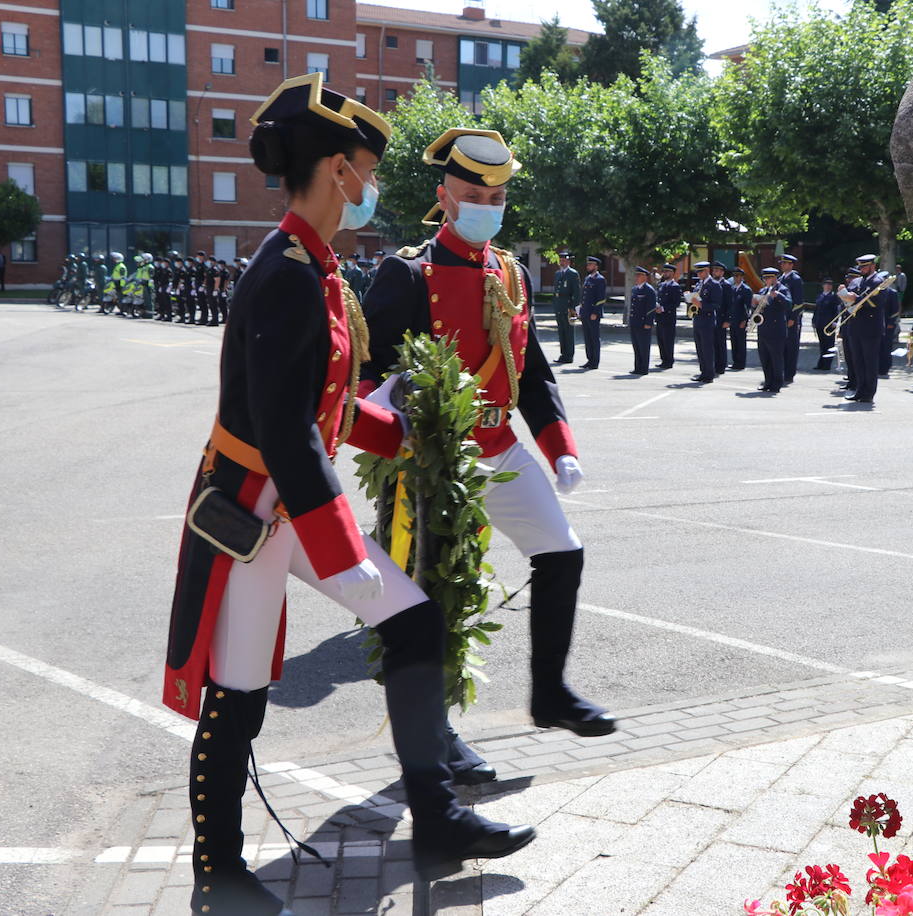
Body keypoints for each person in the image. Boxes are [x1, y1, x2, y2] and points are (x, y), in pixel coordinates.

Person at [162, 77, 535, 915]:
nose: (372, 187)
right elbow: (287, 429)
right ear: (337, 170)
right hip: (254, 512)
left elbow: (329, 410)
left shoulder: (318, 264)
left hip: (298, 497)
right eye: (366, 169)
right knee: (240, 694)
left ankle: (436, 818)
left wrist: (407, 431)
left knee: (414, 621)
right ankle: (216, 874)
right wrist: (339, 551)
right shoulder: (287, 272)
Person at [357, 125, 616, 777]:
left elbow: (532, 374)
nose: (487, 206)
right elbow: (366, 375)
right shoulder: (407, 272)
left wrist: (559, 447)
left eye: (498, 197)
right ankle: (435, 736)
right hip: (434, 460)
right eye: (474, 193)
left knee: (563, 553)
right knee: (440, 596)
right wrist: (395, 421)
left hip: (499, 446)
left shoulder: (511, 273)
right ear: (444, 196)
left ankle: (550, 693)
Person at [839, 255, 889, 404]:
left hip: (871, 328)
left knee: (870, 361)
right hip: (855, 327)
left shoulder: (879, 282)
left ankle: (869, 393)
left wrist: (855, 299)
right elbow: (848, 299)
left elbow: (877, 302)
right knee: (858, 361)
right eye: (860, 267)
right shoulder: (856, 281)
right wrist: (844, 296)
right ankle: (859, 390)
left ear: (873, 266)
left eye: (864, 267)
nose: (861, 270)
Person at [754, 266, 789, 393]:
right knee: (765, 358)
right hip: (763, 329)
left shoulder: (782, 289)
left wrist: (778, 296)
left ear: (775, 278)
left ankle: (777, 383)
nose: (766, 280)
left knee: (776, 358)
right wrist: (754, 303)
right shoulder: (763, 290)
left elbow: (789, 305)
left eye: (769, 278)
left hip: (776, 330)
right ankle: (767, 381)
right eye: (765, 278)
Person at [690, 260, 722, 383]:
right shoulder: (699, 284)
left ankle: (709, 374)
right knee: (699, 348)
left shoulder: (714, 285)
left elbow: (717, 305)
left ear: (707, 271)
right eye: (697, 271)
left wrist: (702, 305)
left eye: (700, 271)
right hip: (698, 319)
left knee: (707, 348)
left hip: (707, 320)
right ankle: (703, 372)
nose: (698, 274)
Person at [779, 254, 804, 384]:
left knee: (791, 347)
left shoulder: (795, 279)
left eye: (785, 263)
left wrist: (793, 318)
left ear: (791, 265)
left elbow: (798, 302)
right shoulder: (780, 279)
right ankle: (782, 371)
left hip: (791, 318)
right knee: (782, 346)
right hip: (781, 318)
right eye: (782, 263)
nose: (782, 265)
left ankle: (789, 374)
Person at [550, 251, 580, 365]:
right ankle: (563, 354)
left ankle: (569, 355)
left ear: (568, 261)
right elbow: (556, 290)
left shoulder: (573, 274)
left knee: (568, 331)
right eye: (560, 260)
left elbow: (576, 293)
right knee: (561, 331)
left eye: (563, 260)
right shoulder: (558, 273)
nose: (561, 262)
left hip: (567, 306)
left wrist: (573, 308)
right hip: (559, 305)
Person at [578, 255, 605, 369]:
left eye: (590, 264)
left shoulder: (600, 279)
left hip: (593, 313)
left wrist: (596, 312)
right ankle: (589, 359)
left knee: (594, 338)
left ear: (596, 266)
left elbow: (601, 298)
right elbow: (584, 296)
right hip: (585, 312)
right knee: (587, 338)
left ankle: (595, 361)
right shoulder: (588, 278)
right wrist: (580, 309)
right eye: (588, 264)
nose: (588, 266)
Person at [628, 266, 655, 375]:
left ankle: (643, 368)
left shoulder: (649, 290)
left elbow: (651, 308)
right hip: (635, 321)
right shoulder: (635, 289)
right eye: (636, 275)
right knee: (636, 346)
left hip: (644, 322)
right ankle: (637, 367)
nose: (637, 277)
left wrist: (649, 322)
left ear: (645, 277)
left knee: (643, 346)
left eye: (639, 275)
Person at [654, 263, 681, 369]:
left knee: (668, 340)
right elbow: (658, 299)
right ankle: (663, 359)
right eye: (664, 271)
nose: (665, 273)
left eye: (668, 272)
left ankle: (669, 361)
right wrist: (656, 306)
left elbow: (676, 303)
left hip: (669, 318)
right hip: (660, 317)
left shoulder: (675, 286)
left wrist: (663, 308)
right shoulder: (661, 285)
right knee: (661, 340)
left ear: (673, 273)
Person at [812, 276, 842, 371]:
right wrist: (814, 321)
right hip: (820, 323)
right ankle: (821, 363)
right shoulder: (820, 296)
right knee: (822, 345)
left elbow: (836, 310)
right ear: (823, 285)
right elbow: (816, 310)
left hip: (829, 324)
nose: (828, 286)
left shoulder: (834, 297)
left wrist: (835, 322)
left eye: (830, 285)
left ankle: (827, 364)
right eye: (826, 284)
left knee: (829, 344)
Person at [728, 266, 752, 371]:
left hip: (741, 319)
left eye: (737, 276)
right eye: (734, 276)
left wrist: (745, 320)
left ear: (742, 277)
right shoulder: (732, 288)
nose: (735, 278)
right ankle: (735, 361)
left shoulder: (746, 290)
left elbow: (748, 307)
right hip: (733, 319)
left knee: (741, 342)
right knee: (733, 341)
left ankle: (741, 362)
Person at [710, 261, 731, 375]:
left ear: (722, 272)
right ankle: (713, 364)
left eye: (717, 270)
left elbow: (729, 304)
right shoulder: (712, 284)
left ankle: (721, 366)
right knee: (712, 342)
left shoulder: (726, 285)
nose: (715, 272)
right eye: (714, 270)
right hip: (711, 317)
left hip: (721, 317)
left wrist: (727, 320)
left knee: (720, 343)